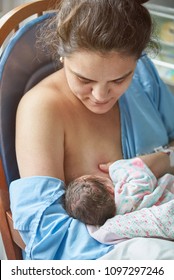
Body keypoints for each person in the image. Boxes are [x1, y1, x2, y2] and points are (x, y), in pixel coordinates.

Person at [9, 0, 174, 260]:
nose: (100, 96)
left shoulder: (143, 75)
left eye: (120, 79)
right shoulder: (42, 109)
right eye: (84, 79)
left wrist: (162, 160)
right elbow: (44, 235)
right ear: (62, 54)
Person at [64, 153, 174, 244]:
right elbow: (142, 177)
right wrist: (115, 167)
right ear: (110, 189)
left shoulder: (116, 221)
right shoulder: (128, 193)